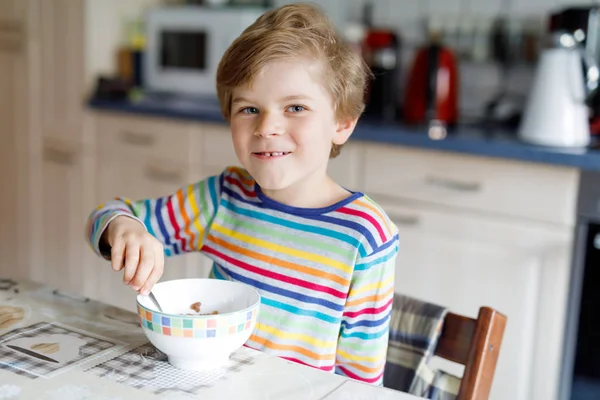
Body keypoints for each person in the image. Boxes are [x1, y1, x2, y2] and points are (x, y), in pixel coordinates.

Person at [85, 2, 399, 385]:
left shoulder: (366, 234)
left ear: (342, 123)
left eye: (295, 107)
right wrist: (123, 228)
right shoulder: (223, 198)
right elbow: (105, 214)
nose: (267, 127)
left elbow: (360, 383)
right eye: (249, 108)